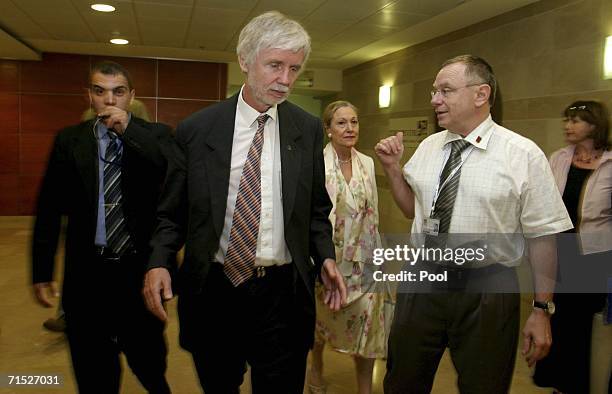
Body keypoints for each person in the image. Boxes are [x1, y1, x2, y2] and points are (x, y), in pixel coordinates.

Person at [142, 11, 347, 394]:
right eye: (274, 65)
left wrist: (327, 257)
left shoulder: (305, 129)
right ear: (244, 60)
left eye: (294, 68)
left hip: (283, 295)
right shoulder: (197, 130)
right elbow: (171, 213)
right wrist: (158, 262)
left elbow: (316, 211)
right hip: (215, 294)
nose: (285, 80)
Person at [374, 54, 573, 394]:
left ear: (481, 95)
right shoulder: (428, 146)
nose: (435, 99)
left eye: (445, 90)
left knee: (485, 385)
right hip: (423, 280)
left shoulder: (522, 154)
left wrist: (542, 310)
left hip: (488, 288)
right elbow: (411, 209)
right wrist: (393, 170)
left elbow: (543, 239)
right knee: (402, 381)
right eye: (434, 91)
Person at [31, 60, 173, 393]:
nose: (109, 100)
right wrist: (41, 268)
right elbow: (49, 207)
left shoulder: (156, 136)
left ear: (131, 96)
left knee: (150, 364)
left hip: (139, 273)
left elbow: (169, 170)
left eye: (118, 92)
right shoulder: (69, 140)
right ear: (89, 96)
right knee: (93, 372)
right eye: (100, 91)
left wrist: (130, 132)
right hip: (86, 275)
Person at [41, 98, 154, 334]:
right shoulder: (77, 146)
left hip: (134, 253)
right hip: (89, 248)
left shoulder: (149, 150)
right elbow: (51, 207)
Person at [307, 101, 391, 394]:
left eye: (354, 122)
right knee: (320, 323)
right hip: (327, 260)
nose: (350, 128)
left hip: (365, 261)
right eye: (341, 123)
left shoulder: (367, 162)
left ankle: (364, 388)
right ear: (328, 130)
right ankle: (316, 364)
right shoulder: (316, 162)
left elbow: (374, 213)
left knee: (368, 327)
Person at [533, 100, 612, 393]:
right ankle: (557, 384)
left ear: (595, 125)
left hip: (594, 257)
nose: (568, 126)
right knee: (556, 319)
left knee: (581, 328)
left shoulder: (609, 163)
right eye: (567, 120)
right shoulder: (559, 158)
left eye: (576, 120)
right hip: (558, 254)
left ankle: (576, 385)